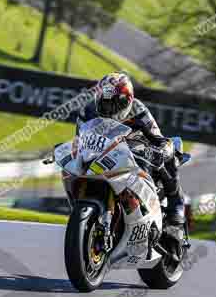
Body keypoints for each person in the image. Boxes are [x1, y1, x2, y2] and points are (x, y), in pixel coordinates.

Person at [77, 72, 187, 246]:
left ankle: (176, 213)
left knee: (169, 155)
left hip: (136, 149)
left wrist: (163, 148)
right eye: (106, 103)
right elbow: (79, 138)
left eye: (116, 103)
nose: (110, 109)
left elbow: (158, 137)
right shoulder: (88, 111)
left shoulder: (139, 110)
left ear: (128, 101)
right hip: (103, 152)